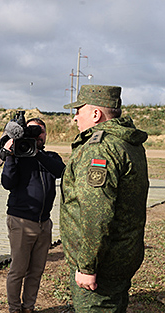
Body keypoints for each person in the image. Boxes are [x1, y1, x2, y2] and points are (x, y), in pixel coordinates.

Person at [60, 85, 149, 312]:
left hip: (102, 264)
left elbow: (96, 212)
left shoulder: (99, 149)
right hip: (123, 255)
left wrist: (88, 266)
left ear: (96, 114)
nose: (75, 117)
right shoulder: (128, 143)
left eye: (79, 110)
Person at [0, 118, 65, 313]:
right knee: (18, 271)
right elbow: (7, 183)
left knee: (36, 271)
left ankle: (28, 308)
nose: (38, 135)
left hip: (44, 223)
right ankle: (14, 309)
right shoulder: (18, 158)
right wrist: (11, 155)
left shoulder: (51, 156)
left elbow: (60, 171)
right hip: (21, 221)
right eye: (32, 131)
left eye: (41, 131)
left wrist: (36, 153)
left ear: (45, 135)